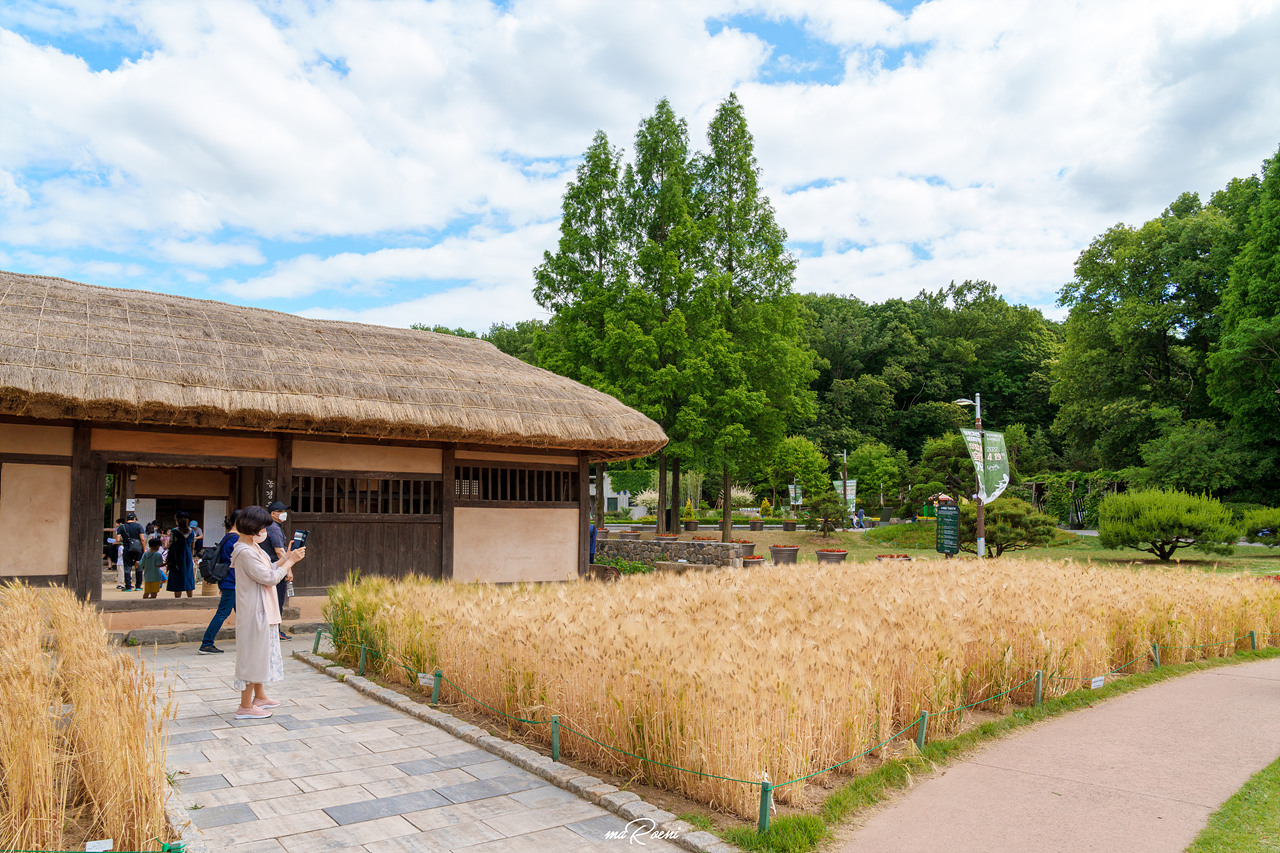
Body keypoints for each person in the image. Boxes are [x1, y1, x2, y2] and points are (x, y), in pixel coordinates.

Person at [229, 505, 305, 720]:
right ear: (253, 527)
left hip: (263, 608)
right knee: (252, 657)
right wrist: (290, 562)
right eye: (263, 527)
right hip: (255, 611)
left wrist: (287, 557)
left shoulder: (253, 547)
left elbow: (270, 567)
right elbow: (269, 578)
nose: (265, 531)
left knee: (262, 654)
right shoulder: (244, 552)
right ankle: (245, 706)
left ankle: (260, 697)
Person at [200, 513, 241, 655]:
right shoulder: (235, 539)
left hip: (230, 581)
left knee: (242, 613)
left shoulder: (229, 536)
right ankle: (206, 643)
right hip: (231, 582)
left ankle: (248, 641)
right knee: (223, 613)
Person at [263, 501, 292, 640]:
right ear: (273, 514)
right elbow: (280, 551)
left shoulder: (269, 527)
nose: (284, 514)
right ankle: (276, 631)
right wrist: (288, 570)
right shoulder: (274, 528)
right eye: (281, 512)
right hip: (276, 568)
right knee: (277, 601)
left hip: (270, 568)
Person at [166, 511, 197, 598]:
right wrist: (191, 556)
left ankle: (177, 600)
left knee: (177, 579)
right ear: (187, 520)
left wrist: (169, 561)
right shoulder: (192, 532)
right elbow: (192, 546)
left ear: (177, 520)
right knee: (188, 577)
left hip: (176, 557)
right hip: (188, 557)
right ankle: (190, 599)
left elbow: (170, 545)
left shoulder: (174, 531)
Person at [115, 511, 145, 591]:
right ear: (134, 518)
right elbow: (142, 539)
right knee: (139, 567)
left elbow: (118, 539)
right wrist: (144, 549)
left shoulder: (122, 527)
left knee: (127, 567)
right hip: (138, 549)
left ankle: (128, 586)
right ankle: (138, 586)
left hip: (127, 549)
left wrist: (125, 540)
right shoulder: (139, 526)